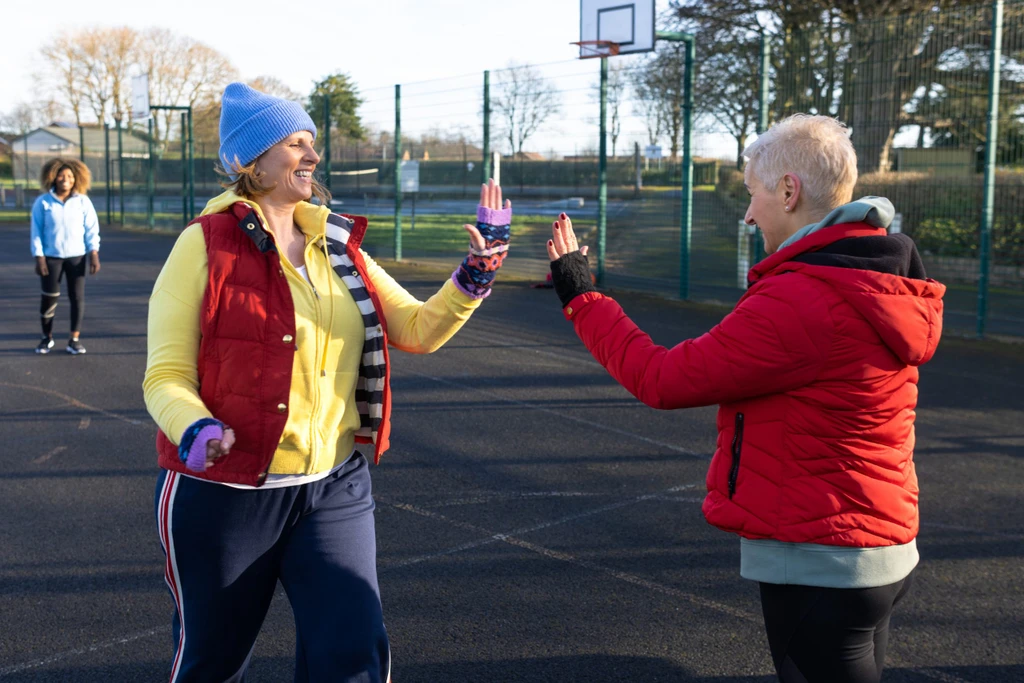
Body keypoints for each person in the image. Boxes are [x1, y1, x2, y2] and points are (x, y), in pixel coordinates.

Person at [545, 114, 945, 683]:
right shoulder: (876, 278)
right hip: (878, 543)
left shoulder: (804, 298)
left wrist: (581, 297)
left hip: (821, 558)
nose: (749, 213)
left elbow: (662, 379)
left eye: (754, 195)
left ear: (789, 190)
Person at [143, 82, 511, 683]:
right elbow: (165, 375)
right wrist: (195, 426)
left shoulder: (337, 244)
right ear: (250, 162)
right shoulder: (202, 245)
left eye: (313, 142)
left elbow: (416, 328)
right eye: (295, 142)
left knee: (353, 654)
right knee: (212, 661)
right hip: (226, 494)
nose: (312, 155)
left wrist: (475, 273)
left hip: (332, 486)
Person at [30, 157, 101, 354]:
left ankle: (74, 339)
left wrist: (93, 253)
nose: (65, 179)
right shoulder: (43, 202)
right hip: (51, 258)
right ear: (53, 177)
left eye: (69, 175)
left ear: (76, 178)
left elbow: (91, 229)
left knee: (77, 298)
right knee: (49, 298)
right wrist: (39, 257)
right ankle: (47, 338)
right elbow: (36, 231)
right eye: (61, 175)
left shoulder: (83, 202)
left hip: (77, 257)